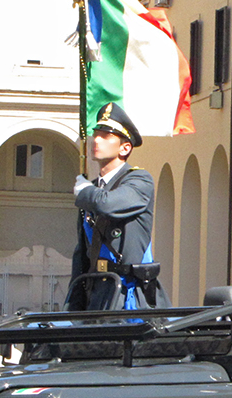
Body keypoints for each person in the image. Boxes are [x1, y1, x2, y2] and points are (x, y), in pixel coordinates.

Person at [66, 102, 168, 311]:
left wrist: (85, 192)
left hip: (127, 293)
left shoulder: (139, 180)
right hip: (96, 292)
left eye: (106, 136)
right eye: (96, 134)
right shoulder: (92, 190)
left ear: (125, 147)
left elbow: (108, 204)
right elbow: (82, 254)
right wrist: (73, 306)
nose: (97, 140)